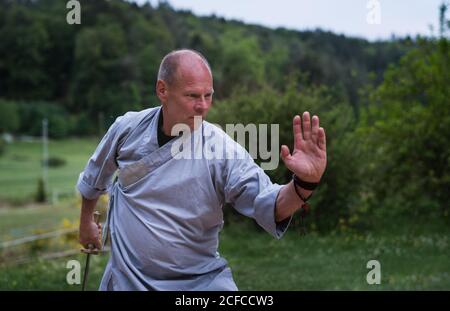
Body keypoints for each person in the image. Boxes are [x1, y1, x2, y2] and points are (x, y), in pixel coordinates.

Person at [77, 49, 327, 291]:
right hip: (128, 279)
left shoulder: (222, 150)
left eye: (208, 95)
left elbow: (270, 203)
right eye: (192, 96)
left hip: (197, 281)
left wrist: (305, 183)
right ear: (162, 90)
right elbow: (95, 176)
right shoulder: (127, 129)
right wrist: (86, 221)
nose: (203, 106)